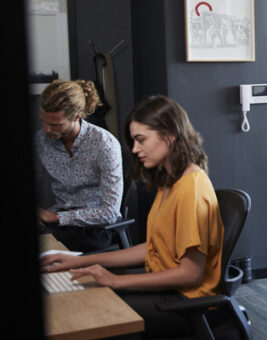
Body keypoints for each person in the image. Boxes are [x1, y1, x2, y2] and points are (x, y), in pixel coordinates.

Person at [41, 95, 225, 338]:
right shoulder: (171, 181)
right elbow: (154, 248)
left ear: (169, 135)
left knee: (91, 310)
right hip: (167, 287)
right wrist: (81, 261)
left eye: (141, 140)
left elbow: (190, 273)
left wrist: (115, 281)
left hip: (187, 301)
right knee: (86, 289)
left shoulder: (190, 189)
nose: (136, 149)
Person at [35, 79, 124, 252]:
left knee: (49, 250)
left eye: (55, 124)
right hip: (59, 223)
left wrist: (57, 217)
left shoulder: (104, 144)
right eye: (43, 122)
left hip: (95, 228)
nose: (47, 129)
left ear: (76, 117)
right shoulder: (41, 141)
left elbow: (109, 212)